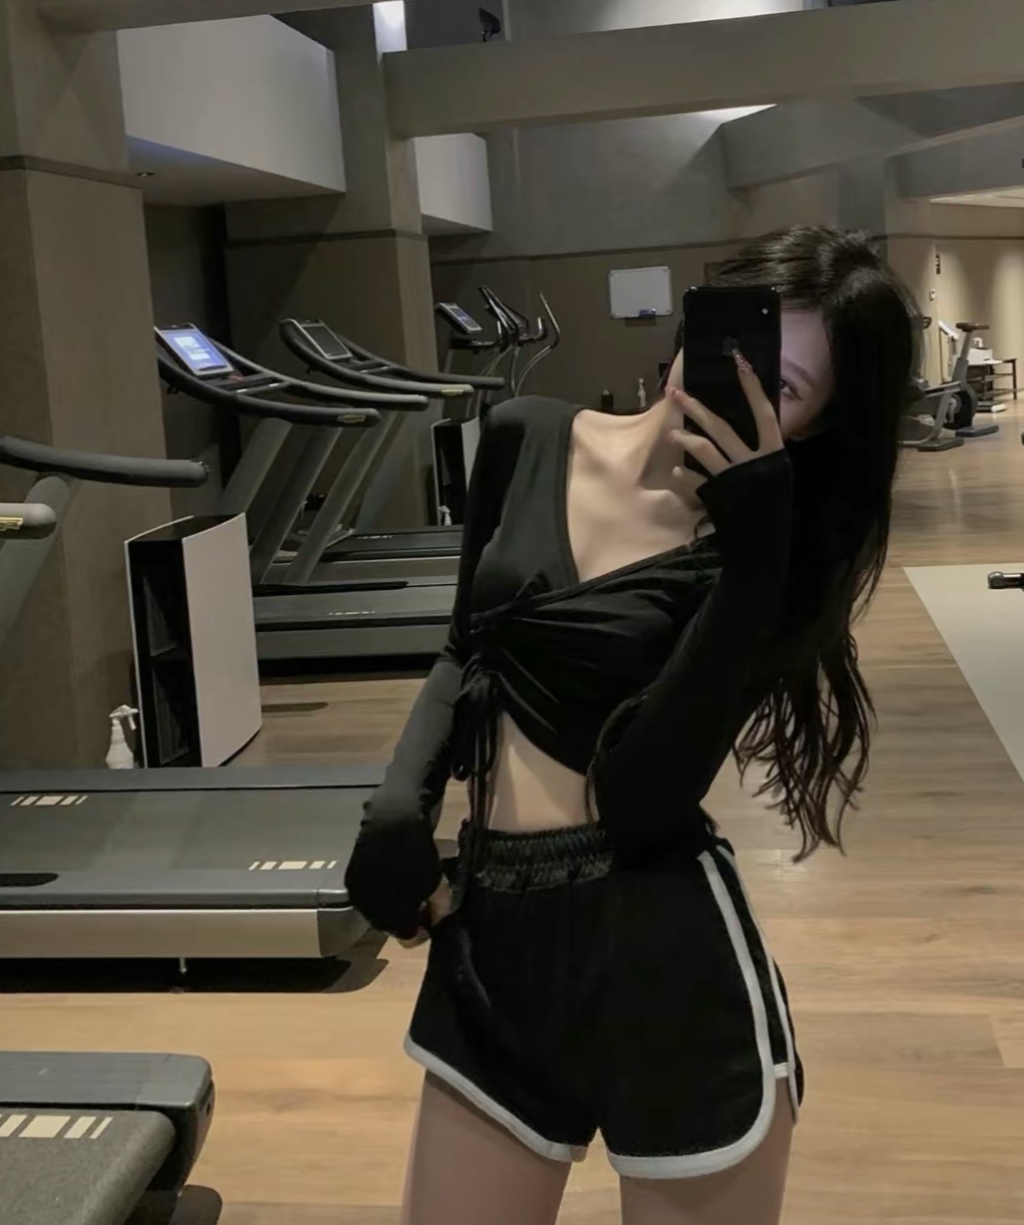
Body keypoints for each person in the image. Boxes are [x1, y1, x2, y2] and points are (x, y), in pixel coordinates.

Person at [345, 225, 918, 1225]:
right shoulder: (525, 434)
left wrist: (752, 562)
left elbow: (642, 799)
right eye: (730, 344)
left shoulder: (767, 561)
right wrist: (399, 805)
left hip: (659, 960)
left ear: (819, 423)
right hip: (493, 951)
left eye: (781, 387)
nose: (731, 384)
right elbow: (466, 645)